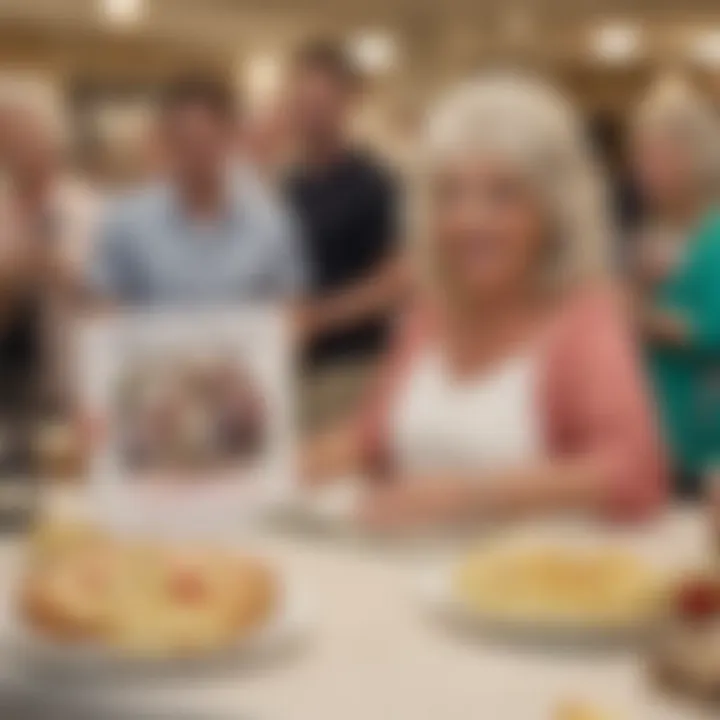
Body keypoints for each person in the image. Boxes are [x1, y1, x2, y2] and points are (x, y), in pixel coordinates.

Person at [304, 74, 667, 529]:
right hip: (406, 579)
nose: (468, 220)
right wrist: (284, 467)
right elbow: (372, 438)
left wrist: (472, 494)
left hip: (540, 588)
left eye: (503, 195)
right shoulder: (429, 313)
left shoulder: (582, 316)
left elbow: (634, 473)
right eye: (449, 194)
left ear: (552, 214)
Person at [90, 75, 304, 305]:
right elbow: (103, 300)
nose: (197, 154)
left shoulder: (267, 220)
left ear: (230, 138)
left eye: (207, 140)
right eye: (185, 141)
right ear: (167, 140)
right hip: (154, 341)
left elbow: (289, 301)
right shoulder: (128, 221)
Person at [284, 41, 405, 427]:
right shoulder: (285, 186)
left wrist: (319, 317)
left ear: (348, 102)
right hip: (291, 368)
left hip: (353, 367)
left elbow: (398, 282)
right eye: (302, 99)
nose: (311, 111)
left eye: (322, 100)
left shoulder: (374, 183)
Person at [630, 79, 720, 499]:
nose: (640, 169)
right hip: (660, 430)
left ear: (691, 158)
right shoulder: (662, 228)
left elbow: (710, 330)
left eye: (653, 155)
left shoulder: (715, 232)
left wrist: (639, 320)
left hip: (705, 439)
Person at [0, 89, 99, 415]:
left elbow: (113, 301)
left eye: (27, 138)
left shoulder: (91, 211)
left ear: (52, 143)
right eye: (8, 140)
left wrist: (58, 272)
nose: (18, 150)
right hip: (13, 387)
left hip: (75, 381)